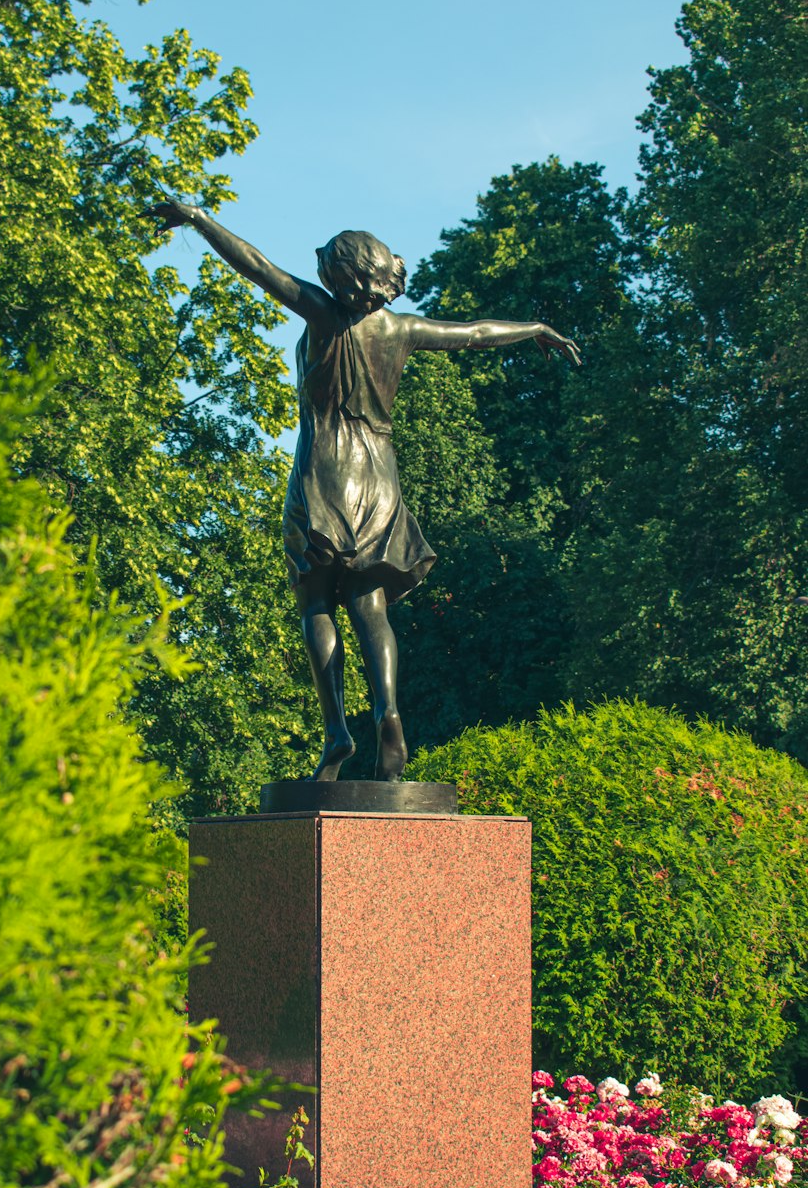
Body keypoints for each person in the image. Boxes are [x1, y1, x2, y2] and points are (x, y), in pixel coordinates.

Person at [150, 200, 581, 783]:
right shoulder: (400, 329)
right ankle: (390, 711)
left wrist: (199, 219)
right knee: (370, 606)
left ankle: (337, 733)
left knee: (317, 603)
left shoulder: (323, 317)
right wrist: (534, 328)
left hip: (324, 469)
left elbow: (256, 265)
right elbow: (474, 334)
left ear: (339, 274)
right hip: (380, 474)